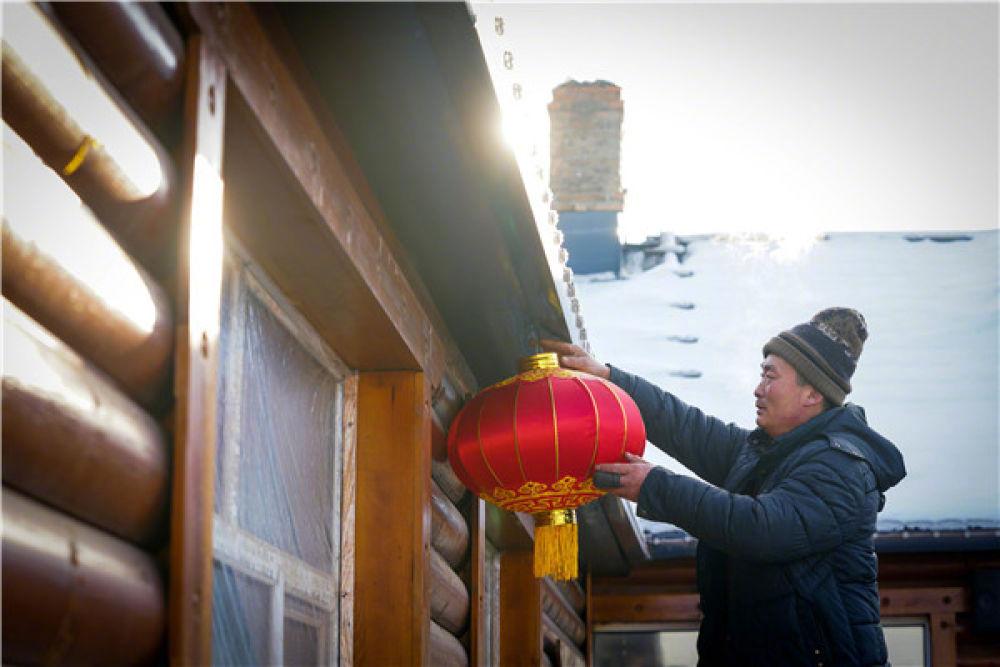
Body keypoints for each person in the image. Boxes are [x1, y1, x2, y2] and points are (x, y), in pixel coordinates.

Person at [542, 307, 906, 667]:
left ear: (811, 394)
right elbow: (686, 427)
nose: (757, 389)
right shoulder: (767, 452)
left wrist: (654, 485)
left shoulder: (840, 466)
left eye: (769, 377)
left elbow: (761, 528)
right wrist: (609, 380)